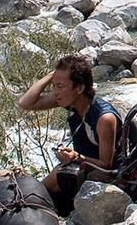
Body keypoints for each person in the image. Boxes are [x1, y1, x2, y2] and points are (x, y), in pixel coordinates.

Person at [17, 54, 120, 214]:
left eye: (60, 86)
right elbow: (26, 103)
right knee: (54, 184)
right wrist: (53, 75)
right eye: (54, 86)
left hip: (106, 177)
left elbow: (106, 164)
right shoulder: (72, 101)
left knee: (56, 176)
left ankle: (26, 207)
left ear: (79, 88)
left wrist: (76, 157)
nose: (56, 92)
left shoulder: (104, 118)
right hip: (82, 168)